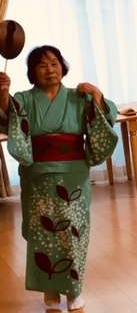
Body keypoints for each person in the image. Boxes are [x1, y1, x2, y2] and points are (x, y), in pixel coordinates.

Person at [0, 46, 118, 312]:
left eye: (54, 63)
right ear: (32, 72)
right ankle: (50, 291)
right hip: (38, 177)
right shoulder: (24, 99)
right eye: (42, 65)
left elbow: (108, 114)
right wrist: (3, 94)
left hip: (73, 177)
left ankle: (75, 289)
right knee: (43, 233)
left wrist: (97, 94)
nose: (49, 69)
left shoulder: (78, 97)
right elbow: (8, 120)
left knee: (74, 232)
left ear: (63, 67)